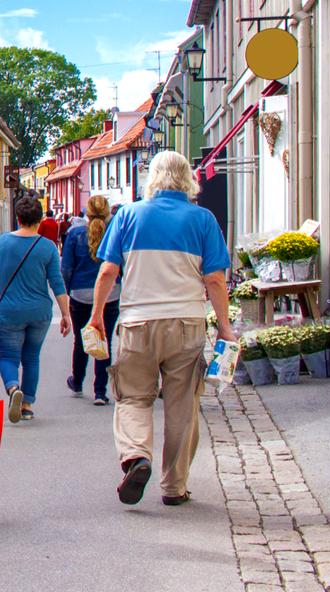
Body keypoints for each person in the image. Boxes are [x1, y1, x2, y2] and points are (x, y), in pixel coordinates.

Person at [89, 151, 236, 508]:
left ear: (151, 178)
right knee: (182, 404)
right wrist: (226, 329)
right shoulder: (203, 220)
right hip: (186, 323)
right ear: (188, 179)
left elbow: (108, 271)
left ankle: (137, 456)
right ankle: (174, 486)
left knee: (133, 397)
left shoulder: (128, 216)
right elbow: (215, 280)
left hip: (137, 323)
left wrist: (96, 317)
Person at [0, 194, 71, 422]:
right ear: (39, 219)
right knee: (31, 358)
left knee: (9, 357)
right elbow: (57, 283)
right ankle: (27, 404)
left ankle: (13, 389)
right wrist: (66, 314)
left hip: (10, 311)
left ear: (18, 218)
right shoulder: (48, 247)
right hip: (40, 312)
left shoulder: (4, 242)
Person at [62, 197, 120, 404]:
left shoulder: (75, 234)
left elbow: (66, 267)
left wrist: (70, 290)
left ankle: (77, 382)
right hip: (110, 294)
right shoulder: (115, 233)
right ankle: (100, 391)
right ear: (107, 213)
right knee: (105, 340)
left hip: (81, 293)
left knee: (81, 340)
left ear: (87, 214)